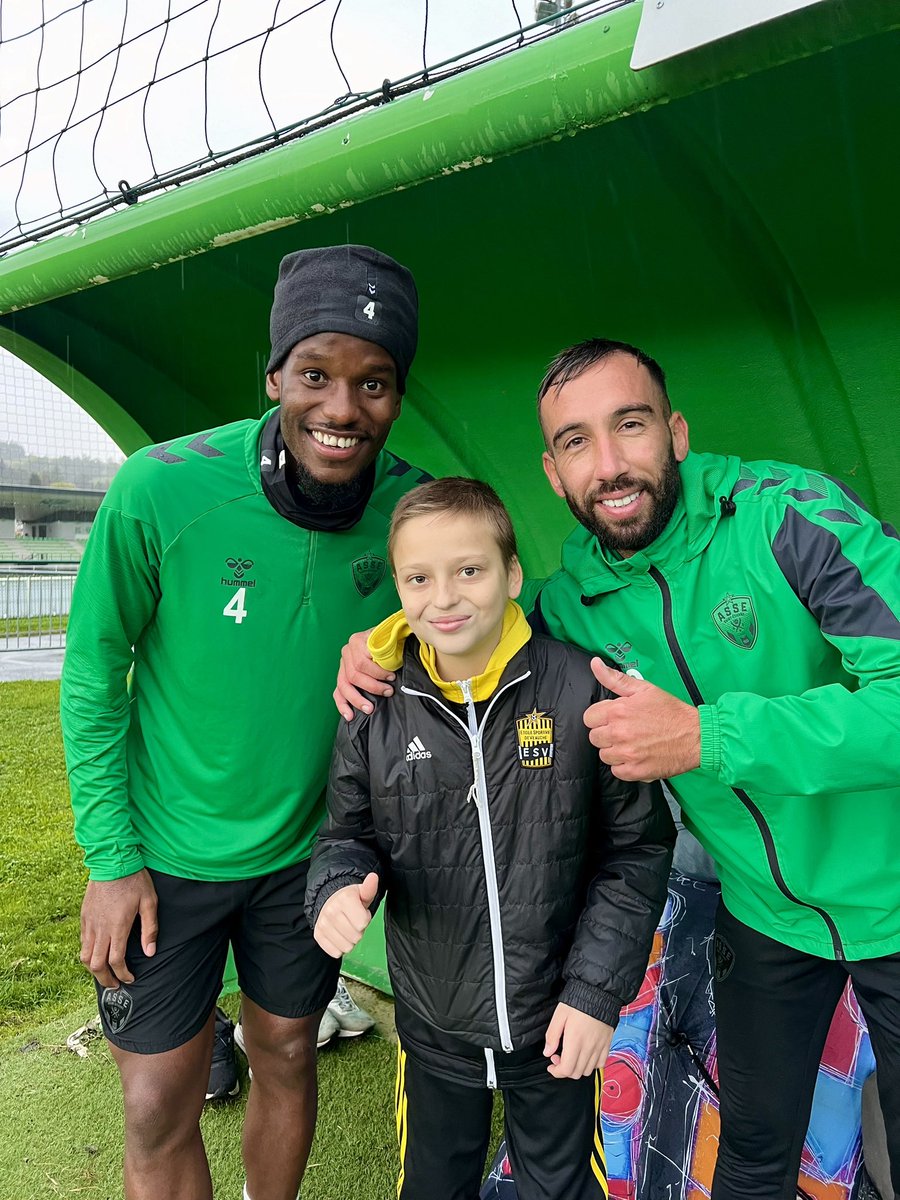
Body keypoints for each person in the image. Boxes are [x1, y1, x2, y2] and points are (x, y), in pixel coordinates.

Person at [334, 338, 900, 1199]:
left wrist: (709, 738)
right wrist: (379, 648)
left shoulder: (788, 516)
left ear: (674, 433)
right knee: (753, 1149)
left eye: (629, 426)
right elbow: (471, 625)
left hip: (894, 898)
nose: (608, 464)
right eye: (575, 442)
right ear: (554, 475)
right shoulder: (567, 608)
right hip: (767, 921)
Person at [60, 244, 429, 1200]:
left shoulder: (409, 511)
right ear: (273, 376)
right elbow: (95, 676)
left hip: (305, 859)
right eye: (315, 375)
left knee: (288, 1053)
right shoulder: (160, 487)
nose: (342, 410)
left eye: (374, 383)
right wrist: (109, 856)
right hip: (163, 859)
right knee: (154, 1105)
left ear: (398, 393)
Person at [307, 476, 676, 1200]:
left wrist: (596, 994)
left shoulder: (580, 688)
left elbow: (635, 852)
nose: (443, 598)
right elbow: (344, 836)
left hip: (556, 1029)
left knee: (562, 1187)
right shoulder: (374, 705)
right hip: (434, 1031)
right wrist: (335, 887)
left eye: (468, 570)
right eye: (419, 577)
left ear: (512, 574)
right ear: (400, 586)